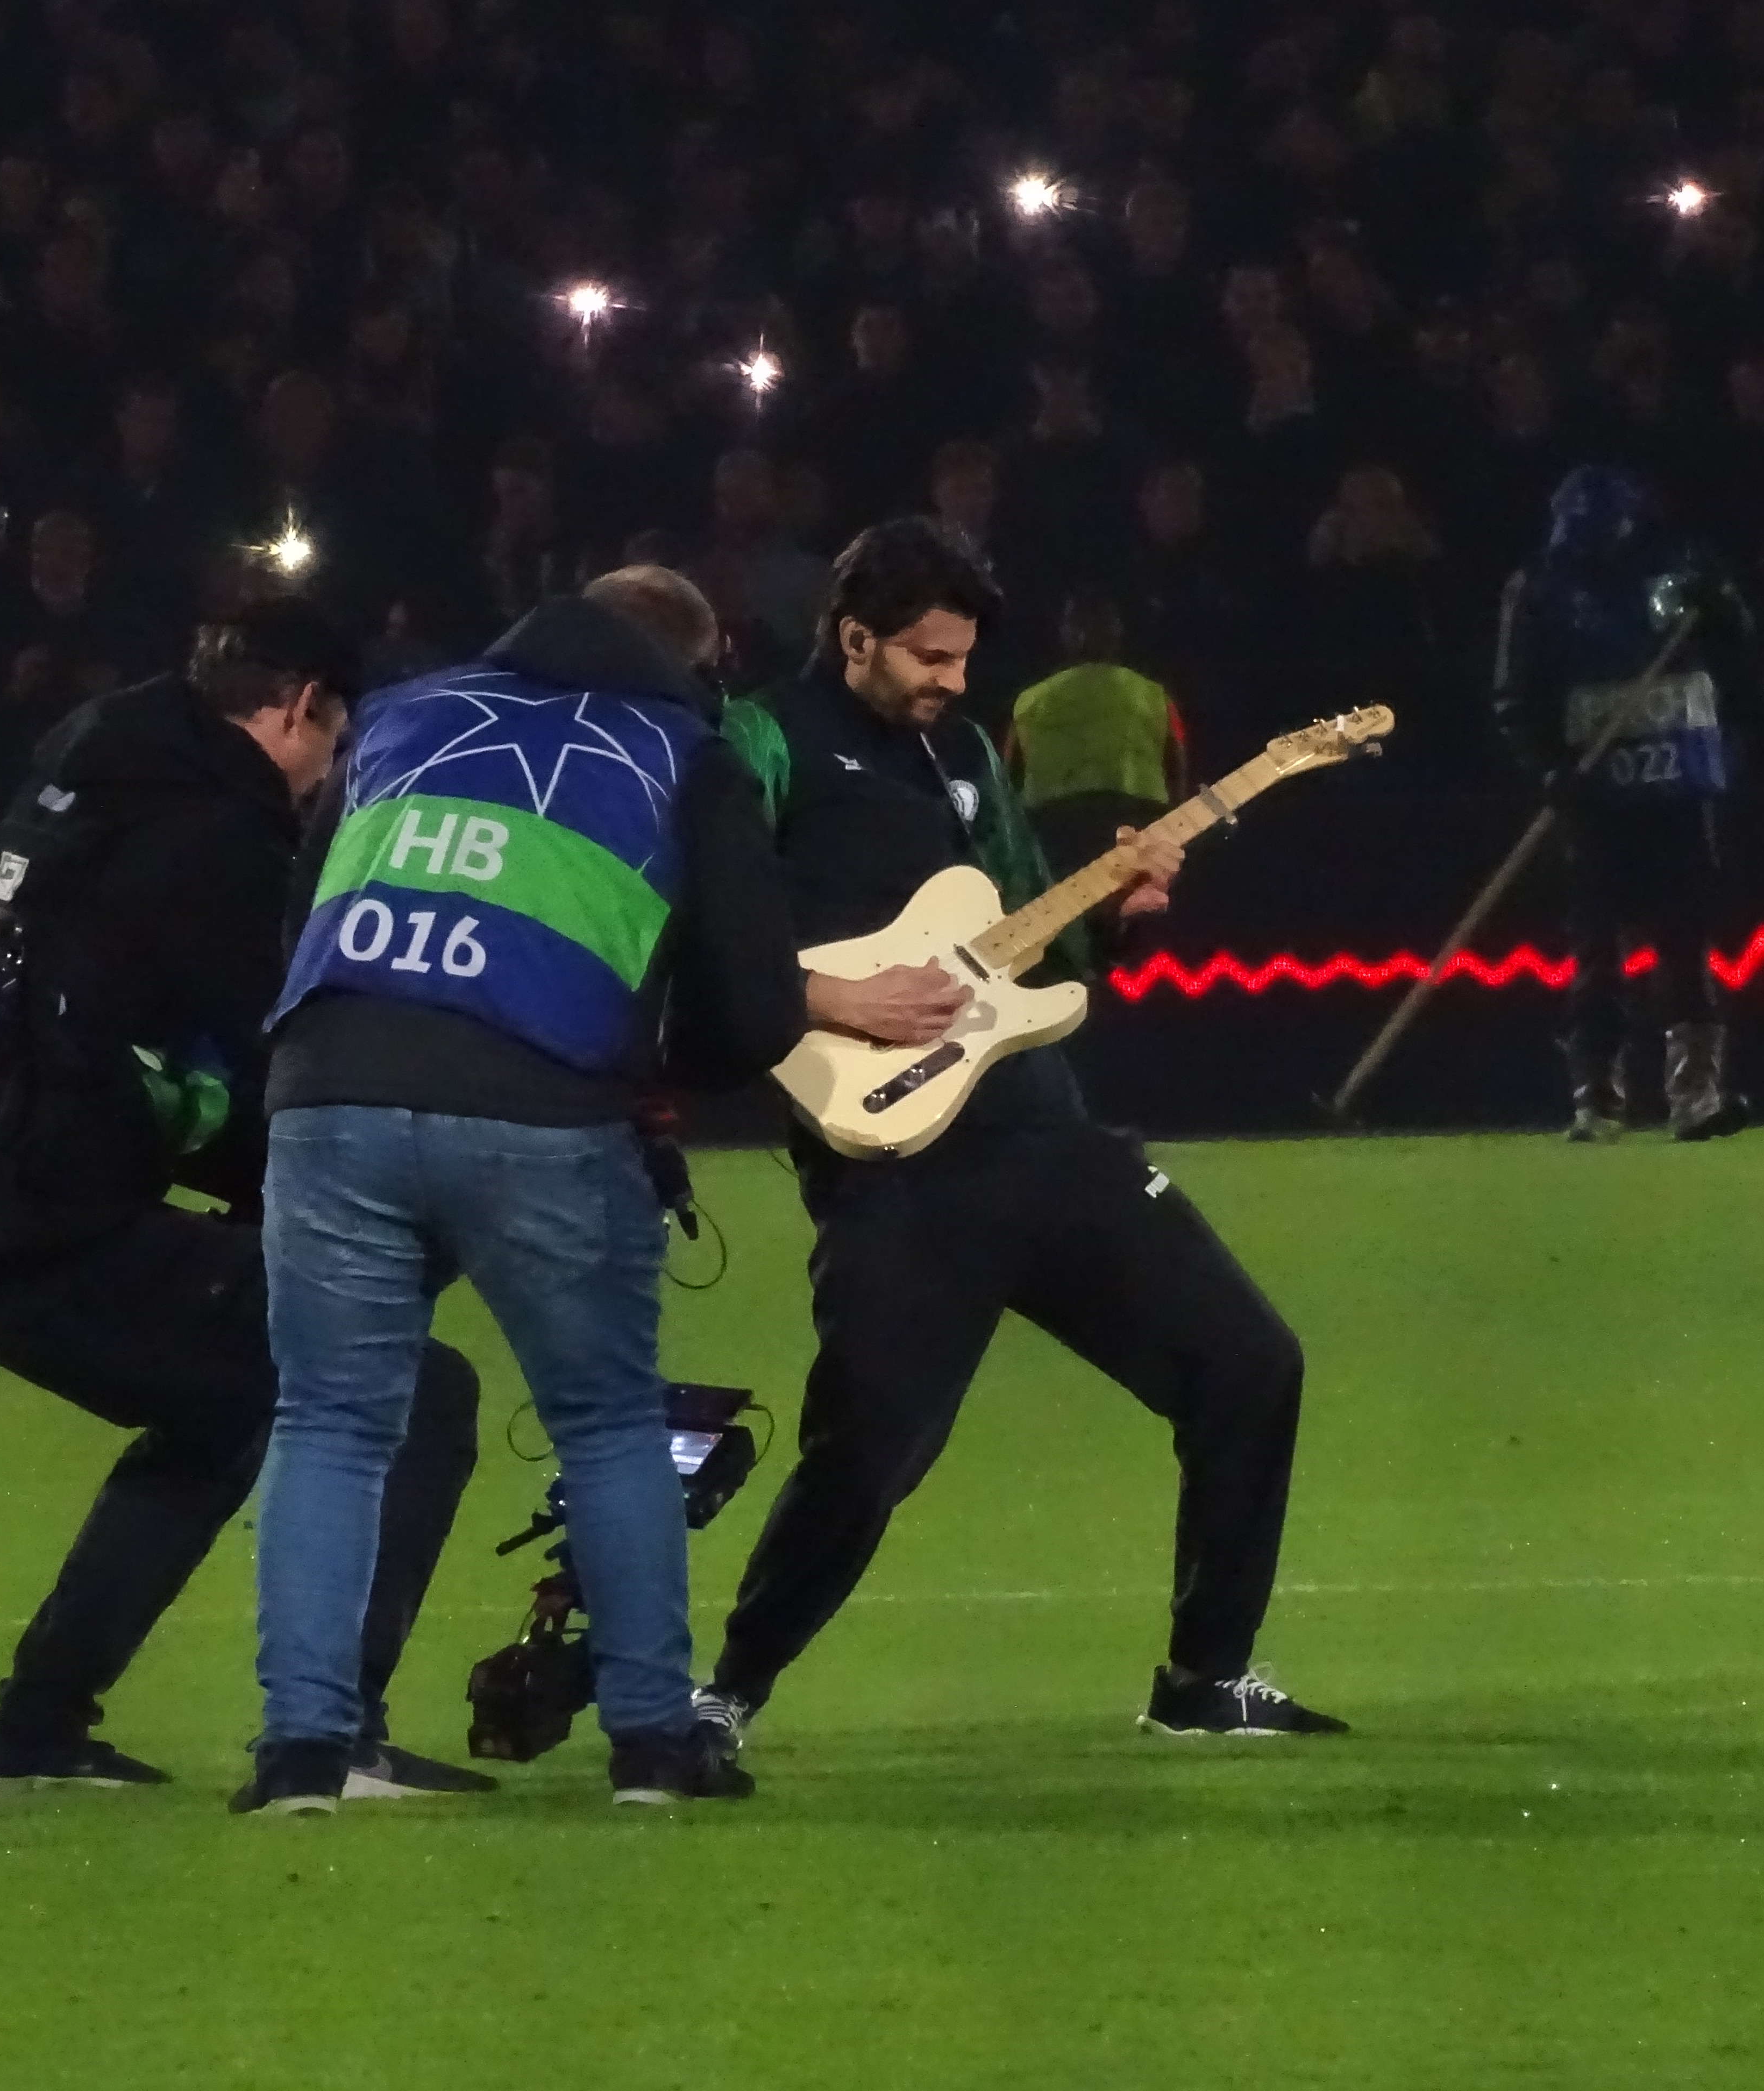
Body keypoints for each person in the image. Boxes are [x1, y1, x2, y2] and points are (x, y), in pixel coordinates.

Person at [701, 518, 1346, 1748]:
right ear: (853, 637)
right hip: (889, 1166)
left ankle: (1203, 1679)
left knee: (1250, 1363)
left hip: (1040, 1132)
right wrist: (830, 997)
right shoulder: (760, 739)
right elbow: (705, 918)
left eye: (961, 658)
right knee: (867, 1450)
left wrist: (1122, 909)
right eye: (930, 657)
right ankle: (724, 1693)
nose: (952, 682)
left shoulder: (959, 759)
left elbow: (1023, 930)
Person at [241, 566, 855, 1814]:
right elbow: (756, 1006)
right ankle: (650, 1745)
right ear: (700, 658)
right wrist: (647, 1061)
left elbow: (303, 917)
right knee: (608, 1421)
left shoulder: (401, 718)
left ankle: (302, 1751)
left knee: (330, 1423)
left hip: (330, 1088)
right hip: (543, 1113)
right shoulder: (685, 751)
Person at [0, 599, 492, 1798]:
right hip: (44, 1217)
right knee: (416, 1388)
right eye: (338, 737)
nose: (332, 774)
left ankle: (32, 1736)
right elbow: (287, 1058)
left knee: (222, 1411)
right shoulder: (210, 835)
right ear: (301, 706)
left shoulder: (96, 772)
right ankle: (341, 1736)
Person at [1493, 466, 1752, 1142]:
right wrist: (1547, 769)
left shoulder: (1678, 572)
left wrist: (1724, 609)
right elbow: (1516, 700)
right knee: (1596, 947)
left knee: (1686, 940)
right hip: (1595, 791)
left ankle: (1696, 1091)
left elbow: (1738, 649)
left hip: (1679, 782)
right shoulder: (1542, 589)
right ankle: (1595, 1097)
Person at [1005, 586, 1190, 879]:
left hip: (1053, 824)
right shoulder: (1153, 694)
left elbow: (1009, 776)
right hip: (1136, 816)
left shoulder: (1030, 700)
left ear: (1065, 635)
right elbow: (1177, 763)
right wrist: (1173, 822)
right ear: (1116, 634)